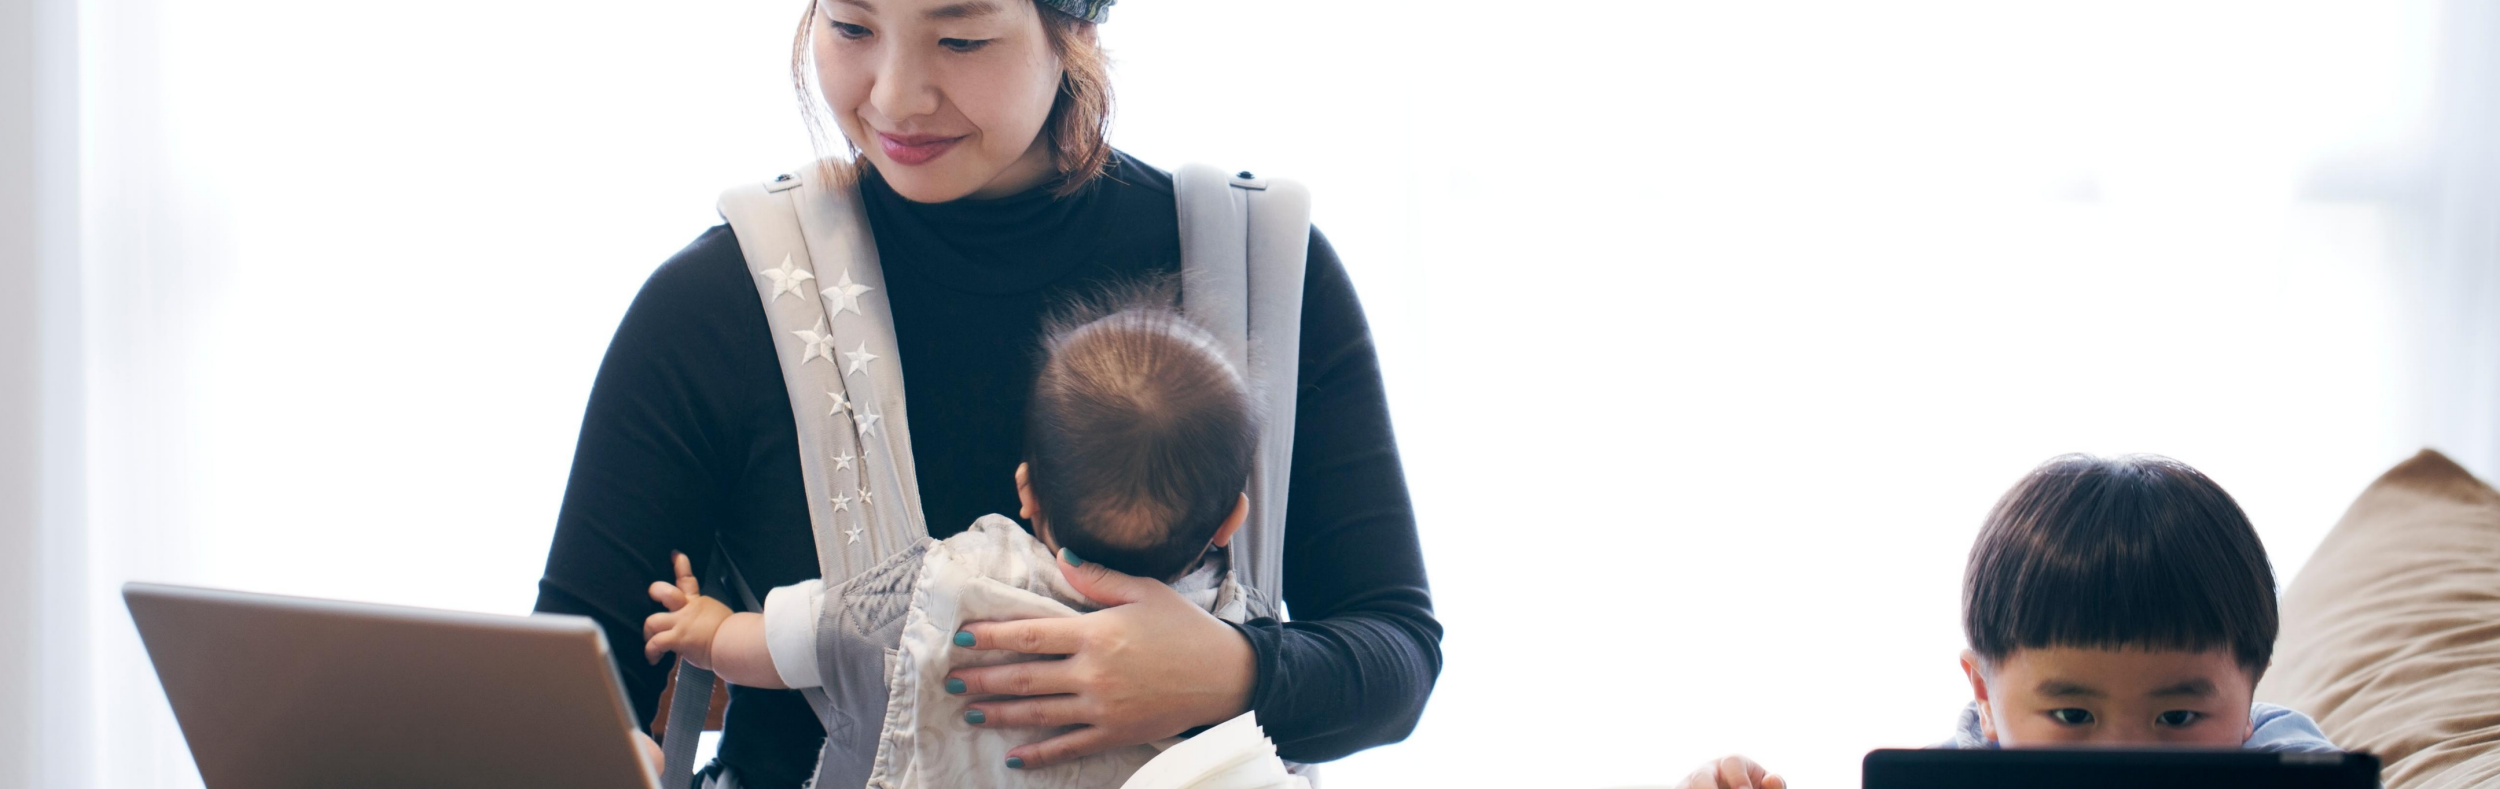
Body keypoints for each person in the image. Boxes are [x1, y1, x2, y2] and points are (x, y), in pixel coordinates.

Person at [530, 0, 1441, 785]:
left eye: (960, 38)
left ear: (1071, 30)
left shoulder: (1252, 266)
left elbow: (1396, 657)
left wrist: (1230, 671)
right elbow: (569, 689)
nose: (893, 95)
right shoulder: (725, 301)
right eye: (851, 25)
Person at [641, 301, 1267, 781]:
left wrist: (711, 633)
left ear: (1027, 491)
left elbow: (803, 637)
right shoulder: (1240, 633)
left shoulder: (949, 585)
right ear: (1229, 520)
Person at [1682, 454, 2336, 789]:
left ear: (2250, 698)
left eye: (2176, 718)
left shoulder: (2287, 763)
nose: (2121, 761)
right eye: (2074, 715)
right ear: (1984, 696)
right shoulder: (1958, 771)